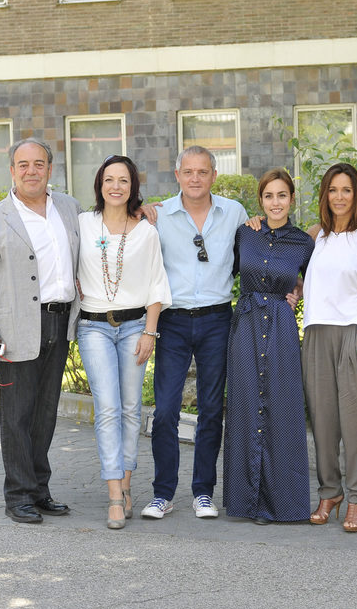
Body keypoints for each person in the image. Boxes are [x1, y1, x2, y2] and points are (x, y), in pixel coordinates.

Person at [0, 136, 80, 525]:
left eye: (39, 164)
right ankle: (18, 495)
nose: (32, 171)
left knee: (45, 414)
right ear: (12, 171)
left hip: (60, 322)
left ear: (50, 169)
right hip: (14, 330)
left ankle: (39, 490)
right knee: (17, 416)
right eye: (23, 165)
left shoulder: (69, 208)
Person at [140, 146, 248, 520]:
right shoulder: (159, 216)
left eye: (203, 172)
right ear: (177, 176)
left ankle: (203, 492)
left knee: (211, 410)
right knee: (166, 410)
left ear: (214, 175)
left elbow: (252, 257)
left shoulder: (234, 213)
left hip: (217, 319)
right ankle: (163, 493)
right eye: (188, 172)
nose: (195, 178)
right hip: (172, 321)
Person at [75, 155, 171, 529]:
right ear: (100, 185)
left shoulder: (146, 231)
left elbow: (156, 284)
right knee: (108, 408)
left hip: (135, 328)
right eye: (109, 180)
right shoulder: (82, 224)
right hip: (94, 327)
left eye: (124, 181)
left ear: (133, 188)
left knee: (131, 408)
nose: (116, 187)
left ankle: (127, 484)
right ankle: (114, 494)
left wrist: (150, 332)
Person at [222, 168, 314, 525]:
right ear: (260, 201)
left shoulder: (304, 242)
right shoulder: (245, 233)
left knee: (282, 409)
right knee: (246, 408)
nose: (276, 203)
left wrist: (299, 290)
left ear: (292, 199)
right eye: (269, 196)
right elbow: (222, 270)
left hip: (281, 327)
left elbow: (318, 280)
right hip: (246, 326)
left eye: (282, 195)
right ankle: (246, 502)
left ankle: (281, 504)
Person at [301, 162, 357, 533]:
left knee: (355, 425)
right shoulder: (313, 235)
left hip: (353, 334)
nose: (339, 197)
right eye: (333, 190)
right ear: (324, 194)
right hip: (316, 336)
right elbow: (296, 277)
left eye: (346, 190)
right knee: (322, 424)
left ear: (356, 195)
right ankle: (329, 493)